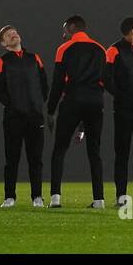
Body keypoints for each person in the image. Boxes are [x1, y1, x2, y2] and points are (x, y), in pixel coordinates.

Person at [46, 15, 106, 209]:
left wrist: (50, 110)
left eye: (65, 29)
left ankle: (55, 198)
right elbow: (104, 80)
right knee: (94, 152)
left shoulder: (63, 49)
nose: (63, 34)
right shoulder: (100, 49)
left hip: (72, 101)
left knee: (59, 150)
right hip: (95, 103)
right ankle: (99, 200)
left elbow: (57, 83)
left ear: (72, 27)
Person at [0, 25, 49, 208]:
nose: (13, 35)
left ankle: (37, 197)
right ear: (3, 43)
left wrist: (38, 103)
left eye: (15, 32)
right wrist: (14, 105)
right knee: (12, 159)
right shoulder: (1, 61)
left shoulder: (34, 58)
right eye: (8, 35)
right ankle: (10, 197)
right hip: (13, 117)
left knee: (36, 159)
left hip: (35, 116)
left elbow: (44, 83)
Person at [104, 17, 133, 207]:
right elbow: (106, 78)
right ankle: (121, 197)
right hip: (123, 110)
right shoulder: (113, 50)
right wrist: (121, 96)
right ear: (132, 31)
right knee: (122, 154)